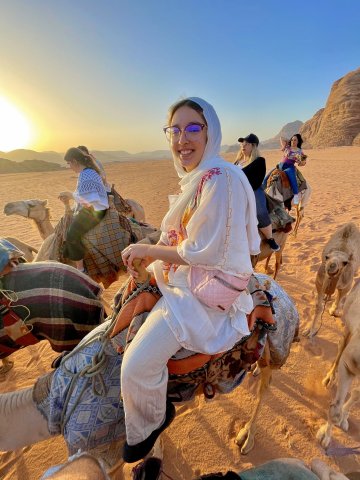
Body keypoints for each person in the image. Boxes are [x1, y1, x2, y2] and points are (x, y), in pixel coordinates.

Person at [120, 97, 260, 463]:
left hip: (202, 292)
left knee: (135, 366)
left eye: (193, 128)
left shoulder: (221, 178)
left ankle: (149, 424)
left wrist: (148, 251)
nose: (183, 138)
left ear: (210, 133)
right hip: (183, 275)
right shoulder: (197, 179)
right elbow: (177, 238)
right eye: (175, 130)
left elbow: (202, 252)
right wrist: (148, 257)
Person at [59, 147, 109, 272]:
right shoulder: (87, 172)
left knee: (72, 234)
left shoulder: (86, 174)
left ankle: (81, 270)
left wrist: (70, 195)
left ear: (75, 161)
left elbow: (87, 201)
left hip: (95, 211)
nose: (69, 166)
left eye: (69, 163)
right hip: (94, 209)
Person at [235, 134, 280, 252]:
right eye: (242, 144)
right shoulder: (238, 161)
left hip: (253, 190)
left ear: (253, 146)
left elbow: (257, 181)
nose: (243, 146)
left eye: (246, 144)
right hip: (236, 190)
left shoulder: (259, 161)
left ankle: (270, 238)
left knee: (260, 212)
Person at [279, 133, 306, 205]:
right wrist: (289, 141)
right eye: (292, 140)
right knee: (268, 176)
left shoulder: (300, 151)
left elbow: (303, 162)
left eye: (295, 140)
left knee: (292, 177)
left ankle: (296, 195)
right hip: (280, 166)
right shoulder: (287, 147)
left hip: (289, 166)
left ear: (298, 142)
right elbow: (281, 137)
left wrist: (299, 162)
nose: (293, 142)